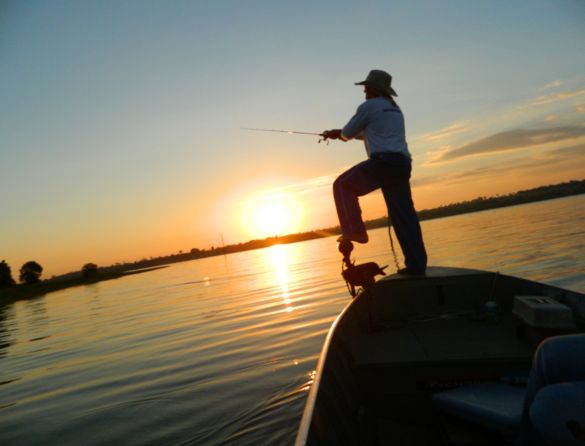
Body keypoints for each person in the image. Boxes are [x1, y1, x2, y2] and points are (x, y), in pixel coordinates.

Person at [322, 69, 427, 275]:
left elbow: (347, 133)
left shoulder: (368, 106)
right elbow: (371, 133)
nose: (364, 92)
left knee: (342, 185)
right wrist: (342, 134)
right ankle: (417, 266)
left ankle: (355, 232)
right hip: (402, 164)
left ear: (371, 89)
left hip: (383, 162)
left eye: (365, 88)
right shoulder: (394, 109)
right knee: (404, 216)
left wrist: (337, 134)